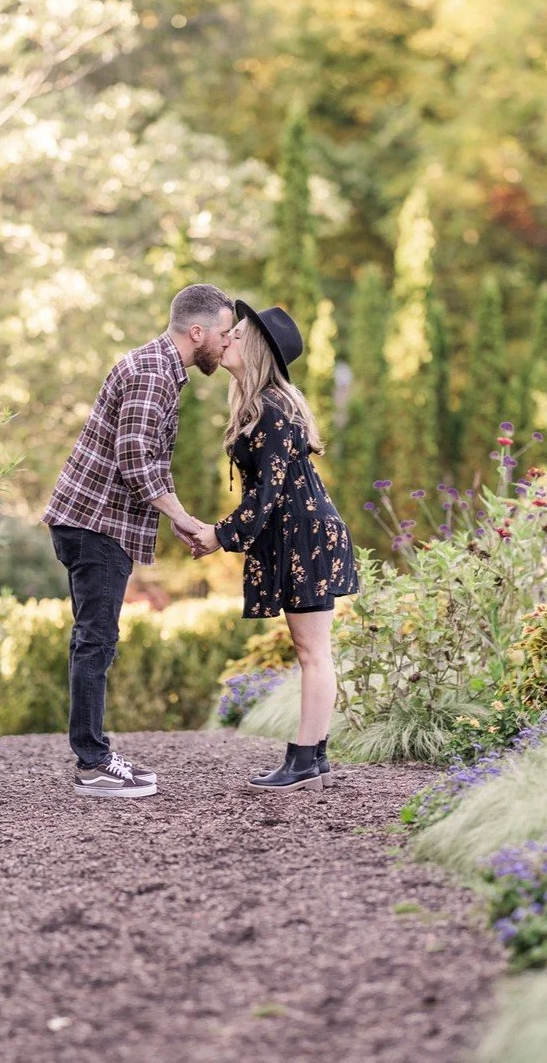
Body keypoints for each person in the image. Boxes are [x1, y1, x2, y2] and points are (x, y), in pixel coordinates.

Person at [43, 284, 234, 798]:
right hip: (96, 524)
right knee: (95, 641)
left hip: (93, 520)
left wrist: (171, 514)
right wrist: (187, 518)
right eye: (223, 332)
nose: (227, 342)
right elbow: (135, 462)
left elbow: (146, 457)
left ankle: (95, 752)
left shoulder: (158, 367)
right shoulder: (153, 372)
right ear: (197, 332)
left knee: (93, 639)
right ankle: (91, 764)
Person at [190, 301, 359, 792]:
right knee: (314, 650)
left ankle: (305, 760)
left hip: (304, 536)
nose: (226, 340)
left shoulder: (269, 408)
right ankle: (315, 755)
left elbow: (267, 494)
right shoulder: (264, 405)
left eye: (237, 335)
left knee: (312, 652)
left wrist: (218, 535)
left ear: (258, 349)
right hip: (301, 533)